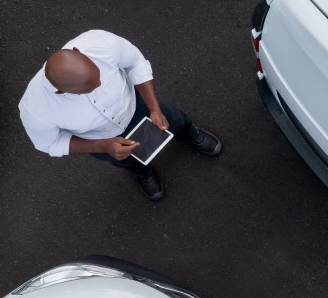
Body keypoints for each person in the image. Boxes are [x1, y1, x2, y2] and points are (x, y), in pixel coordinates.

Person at [18, 30, 221, 201]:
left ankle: (191, 134)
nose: (99, 85)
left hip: (137, 105)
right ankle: (144, 173)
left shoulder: (99, 42)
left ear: (79, 51)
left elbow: (135, 63)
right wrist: (103, 146)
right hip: (101, 138)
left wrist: (154, 109)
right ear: (62, 92)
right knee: (128, 161)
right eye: (87, 89)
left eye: (97, 77)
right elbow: (50, 143)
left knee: (175, 119)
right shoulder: (35, 109)